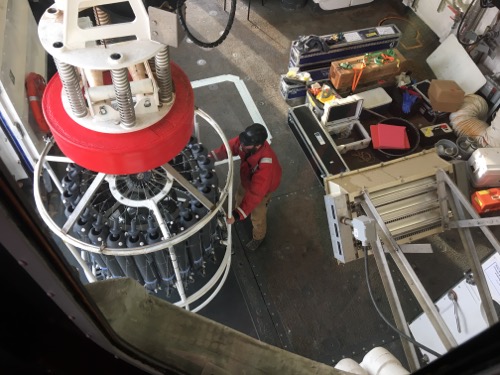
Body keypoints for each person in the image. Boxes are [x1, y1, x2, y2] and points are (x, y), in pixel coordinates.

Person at [211, 123, 282, 251]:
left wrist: (237, 215)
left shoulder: (266, 165)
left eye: (245, 144)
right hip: (247, 180)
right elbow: (229, 148)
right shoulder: (245, 143)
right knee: (240, 197)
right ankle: (241, 212)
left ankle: (258, 237)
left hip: (263, 190)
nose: (241, 146)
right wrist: (210, 157)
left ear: (258, 145)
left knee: (257, 215)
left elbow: (256, 193)